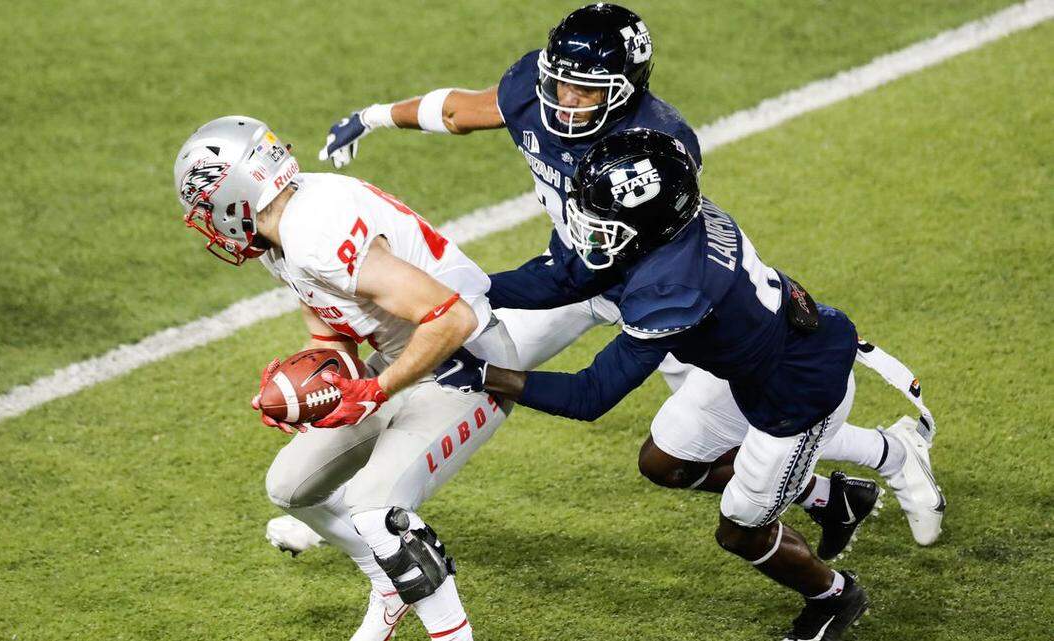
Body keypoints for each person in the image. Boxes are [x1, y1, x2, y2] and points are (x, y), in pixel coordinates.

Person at [302, 1, 944, 555]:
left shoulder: (656, 144)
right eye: (559, 83)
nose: (564, 100)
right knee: (460, 354)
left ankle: (884, 460)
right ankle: (363, 506)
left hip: (649, 289)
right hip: (575, 272)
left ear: (626, 89)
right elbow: (466, 110)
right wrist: (376, 114)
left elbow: (654, 254)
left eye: (585, 90)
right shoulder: (540, 86)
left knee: (742, 419)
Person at [433, 128, 934, 640]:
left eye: (603, 223)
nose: (588, 233)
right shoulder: (669, 226)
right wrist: (474, 287)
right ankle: (835, 500)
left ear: (647, 226)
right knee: (664, 462)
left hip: (794, 394)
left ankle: (833, 596)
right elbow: (566, 280)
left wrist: (483, 376)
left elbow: (589, 396)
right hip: (751, 361)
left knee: (739, 529)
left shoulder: (673, 288)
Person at [174, 115, 519, 641]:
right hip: (407, 357)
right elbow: (331, 333)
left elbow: (451, 318)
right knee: (290, 487)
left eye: (206, 206)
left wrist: (374, 391)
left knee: (376, 509)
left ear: (234, 193)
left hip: (471, 364)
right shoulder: (283, 230)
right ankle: (388, 583)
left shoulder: (313, 231)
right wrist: (312, 391)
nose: (209, 222)